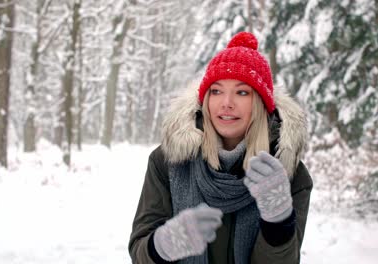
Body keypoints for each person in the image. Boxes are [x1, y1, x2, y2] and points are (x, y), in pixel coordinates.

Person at [128, 31, 313, 264]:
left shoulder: (289, 174)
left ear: (260, 103)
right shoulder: (167, 161)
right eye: (216, 91)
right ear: (205, 99)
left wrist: (278, 221)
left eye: (242, 92)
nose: (226, 103)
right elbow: (139, 253)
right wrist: (163, 245)